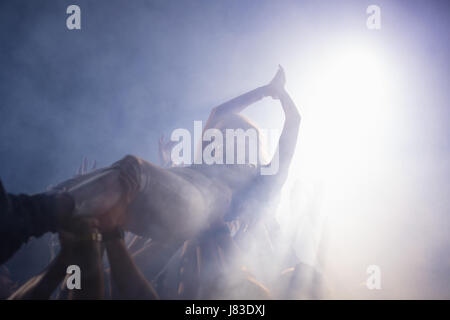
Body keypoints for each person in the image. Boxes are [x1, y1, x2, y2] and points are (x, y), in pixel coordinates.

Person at [0, 66, 300, 281]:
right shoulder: (206, 160)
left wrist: (281, 97)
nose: (222, 139)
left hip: (197, 212)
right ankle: (20, 217)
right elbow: (219, 113)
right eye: (223, 136)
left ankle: (25, 217)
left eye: (234, 135)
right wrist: (263, 91)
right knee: (103, 183)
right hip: (169, 201)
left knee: (133, 168)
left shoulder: (259, 182)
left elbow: (291, 131)